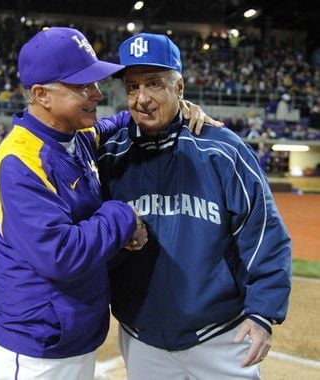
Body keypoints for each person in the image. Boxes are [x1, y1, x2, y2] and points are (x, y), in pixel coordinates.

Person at [98, 33, 292, 379]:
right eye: (132, 87)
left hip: (221, 338)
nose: (142, 98)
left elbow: (264, 233)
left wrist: (263, 313)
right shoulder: (110, 155)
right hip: (141, 338)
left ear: (180, 88)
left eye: (155, 84)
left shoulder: (221, 150)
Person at [0, 27, 148, 380]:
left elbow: (113, 124)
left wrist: (167, 108)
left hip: (72, 332)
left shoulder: (74, 136)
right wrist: (123, 215)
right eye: (83, 87)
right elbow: (62, 255)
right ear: (41, 94)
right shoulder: (18, 164)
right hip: (37, 345)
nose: (97, 94)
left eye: (96, 84)